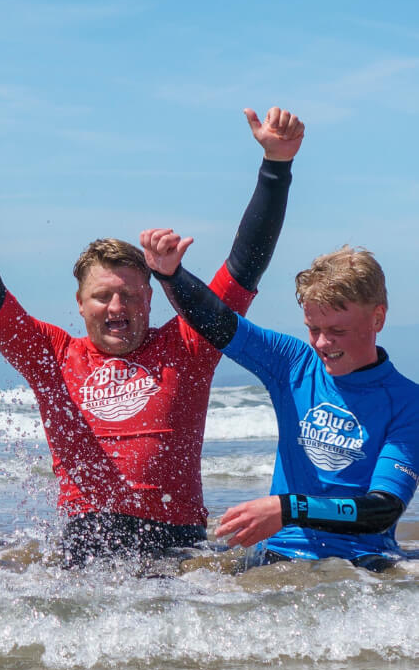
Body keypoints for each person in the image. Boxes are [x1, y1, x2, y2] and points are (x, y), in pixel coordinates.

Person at [0, 106, 305, 563]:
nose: (117, 308)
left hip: (177, 546)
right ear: (79, 304)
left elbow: (245, 266)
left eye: (130, 296)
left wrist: (276, 165)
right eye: (103, 297)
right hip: (85, 545)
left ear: (150, 299)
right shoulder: (52, 354)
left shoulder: (187, 345)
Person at [137, 230, 419, 566]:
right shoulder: (293, 363)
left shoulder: (406, 402)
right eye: (314, 329)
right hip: (278, 554)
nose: (322, 343)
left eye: (337, 331)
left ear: (378, 318)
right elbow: (220, 323)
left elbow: (383, 509)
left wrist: (288, 509)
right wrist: (170, 275)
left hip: (360, 565)